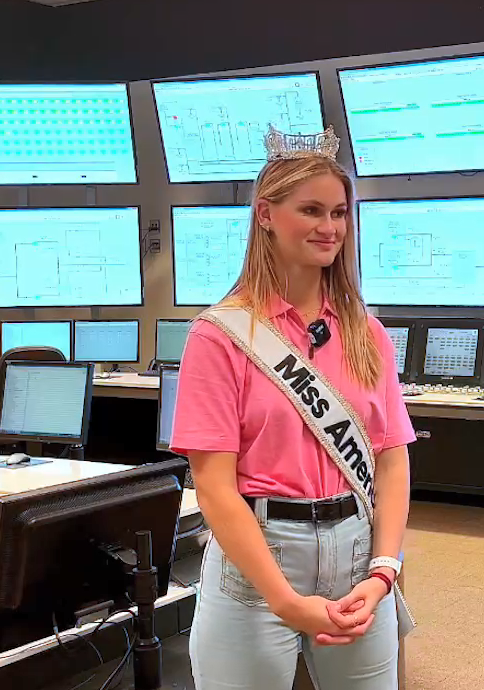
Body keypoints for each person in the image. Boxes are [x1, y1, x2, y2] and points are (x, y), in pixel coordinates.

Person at [171, 125, 414, 690]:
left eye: (339, 212)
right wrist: (284, 601)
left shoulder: (366, 333)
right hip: (260, 559)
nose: (330, 228)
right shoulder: (219, 336)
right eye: (311, 210)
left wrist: (383, 571)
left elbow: (392, 459)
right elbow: (214, 488)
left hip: (358, 556)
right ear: (265, 215)